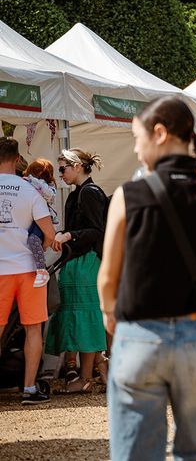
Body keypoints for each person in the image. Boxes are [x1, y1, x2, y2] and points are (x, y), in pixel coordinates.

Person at [96, 97, 196, 459]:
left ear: (159, 133)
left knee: (136, 452)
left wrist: (110, 314)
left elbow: (108, 274)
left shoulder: (130, 194)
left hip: (141, 333)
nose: (137, 149)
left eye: (137, 138)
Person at [46, 147, 109, 393]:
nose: (60, 173)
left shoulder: (90, 193)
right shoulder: (77, 194)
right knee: (78, 318)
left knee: (85, 319)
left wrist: (69, 234)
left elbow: (98, 231)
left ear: (78, 166)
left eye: (63, 168)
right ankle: (100, 369)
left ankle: (84, 378)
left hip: (87, 262)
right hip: (77, 263)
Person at [0, 138, 56, 405]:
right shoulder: (29, 190)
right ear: (17, 158)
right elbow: (49, 233)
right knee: (33, 329)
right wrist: (37, 250)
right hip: (27, 270)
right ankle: (30, 388)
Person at [22, 158, 59, 288]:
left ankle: (41, 270)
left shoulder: (48, 188)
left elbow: (48, 194)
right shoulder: (27, 185)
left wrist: (31, 180)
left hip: (43, 220)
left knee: (33, 239)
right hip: (33, 219)